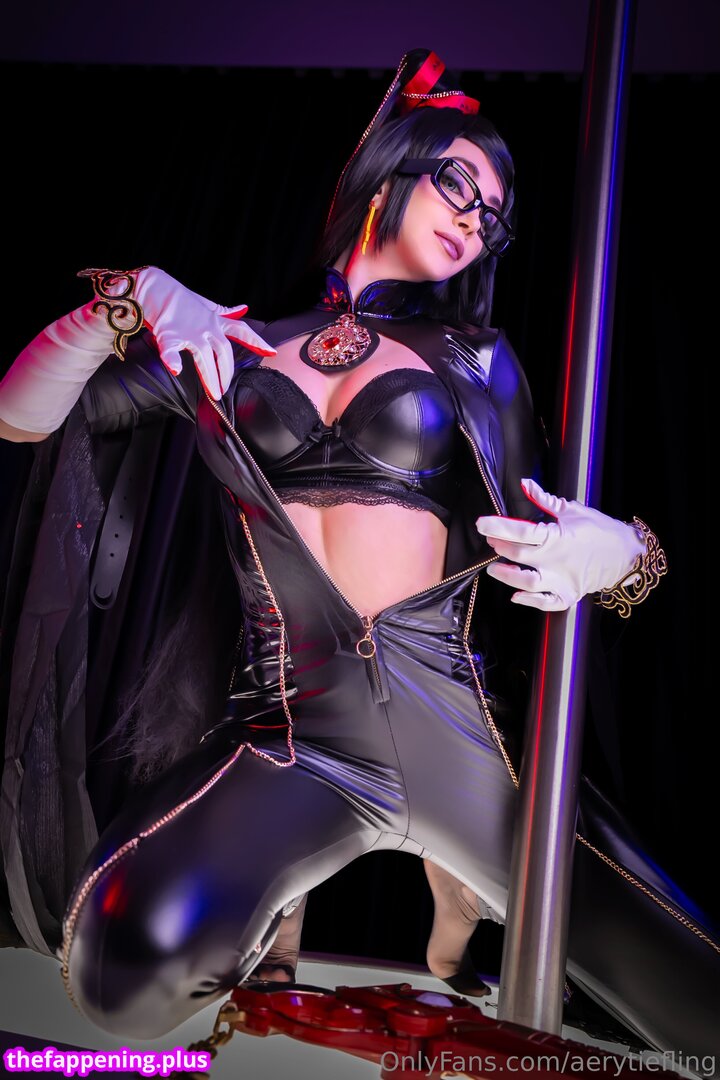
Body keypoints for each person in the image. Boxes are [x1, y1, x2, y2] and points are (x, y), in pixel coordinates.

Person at [0, 48, 717, 1068]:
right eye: (460, 183)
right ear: (392, 166)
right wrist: (128, 299)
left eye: (494, 214)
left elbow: (550, 517)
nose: (476, 219)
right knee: (118, 972)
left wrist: (623, 552)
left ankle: (455, 922)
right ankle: (289, 932)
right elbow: (22, 416)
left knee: (703, 1008)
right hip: (297, 735)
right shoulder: (230, 345)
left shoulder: (479, 360)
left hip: (465, 741)